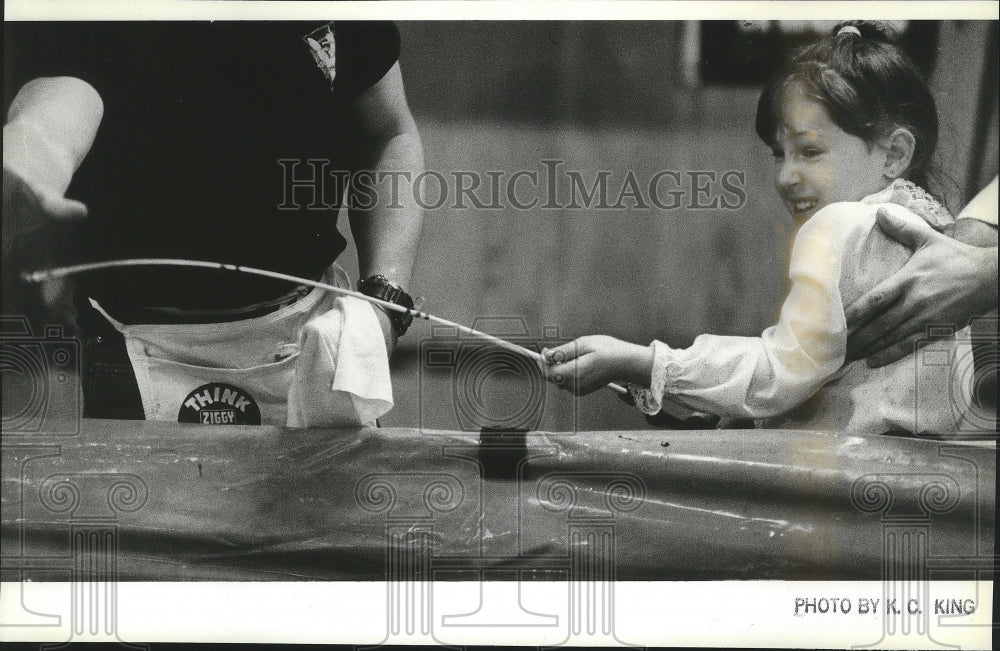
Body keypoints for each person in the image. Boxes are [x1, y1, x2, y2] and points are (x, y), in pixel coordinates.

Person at [540, 22, 996, 436]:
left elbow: (779, 374)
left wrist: (644, 362)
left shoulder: (837, 227)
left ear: (894, 154)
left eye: (810, 151)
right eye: (779, 153)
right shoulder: (940, 237)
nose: (785, 175)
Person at [3, 21, 424, 427]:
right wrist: (27, 164)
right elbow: (51, 115)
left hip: (315, 335)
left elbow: (386, 132)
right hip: (141, 344)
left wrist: (383, 305)